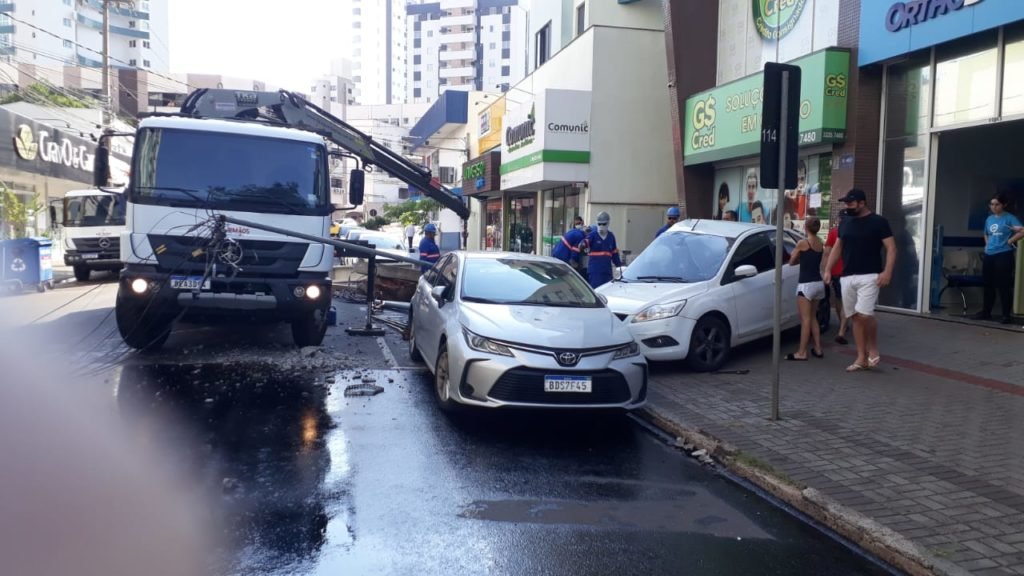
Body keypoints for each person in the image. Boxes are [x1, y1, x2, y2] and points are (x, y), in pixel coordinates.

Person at [823, 189, 896, 372]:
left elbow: (891, 248)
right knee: (855, 317)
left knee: (865, 314)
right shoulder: (845, 222)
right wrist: (828, 269)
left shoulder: (879, 222)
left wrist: (887, 272)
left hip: (870, 275)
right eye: (846, 203)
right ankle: (861, 357)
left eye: (851, 203)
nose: (847, 206)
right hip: (847, 276)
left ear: (862, 203)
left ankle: (873, 348)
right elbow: (838, 247)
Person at [974, 192, 1024, 323]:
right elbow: (986, 233)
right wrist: (987, 245)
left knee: (1003, 285)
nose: (994, 207)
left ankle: (1006, 315)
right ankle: (986, 312)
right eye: (992, 204)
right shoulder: (989, 219)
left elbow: (1022, 231)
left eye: (997, 204)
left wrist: (1010, 241)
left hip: (1004, 254)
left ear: (1004, 205)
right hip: (990, 254)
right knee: (988, 284)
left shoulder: (1009, 218)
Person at [786, 216, 825, 361]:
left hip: (805, 284)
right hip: (818, 283)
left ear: (806, 227)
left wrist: (798, 259)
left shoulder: (802, 243)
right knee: (813, 317)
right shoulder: (820, 243)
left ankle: (802, 352)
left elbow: (791, 261)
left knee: (805, 320)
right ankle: (818, 349)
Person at [824, 213, 849, 345]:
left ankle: (842, 324)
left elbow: (827, 252)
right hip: (849, 271)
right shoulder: (852, 231)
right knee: (847, 301)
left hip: (836, 272)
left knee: (839, 299)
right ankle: (843, 327)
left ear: (839, 219)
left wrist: (826, 269)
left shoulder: (833, 232)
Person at [584, 212, 621, 288]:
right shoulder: (593, 235)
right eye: (599, 224)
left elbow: (614, 253)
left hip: (607, 271)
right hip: (595, 271)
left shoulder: (611, 236)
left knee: (607, 290)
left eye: (604, 224)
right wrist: (583, 244)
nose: (601, 226)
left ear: (608, 223)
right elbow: (585, 242)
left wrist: (619, 266)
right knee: (596, 290)